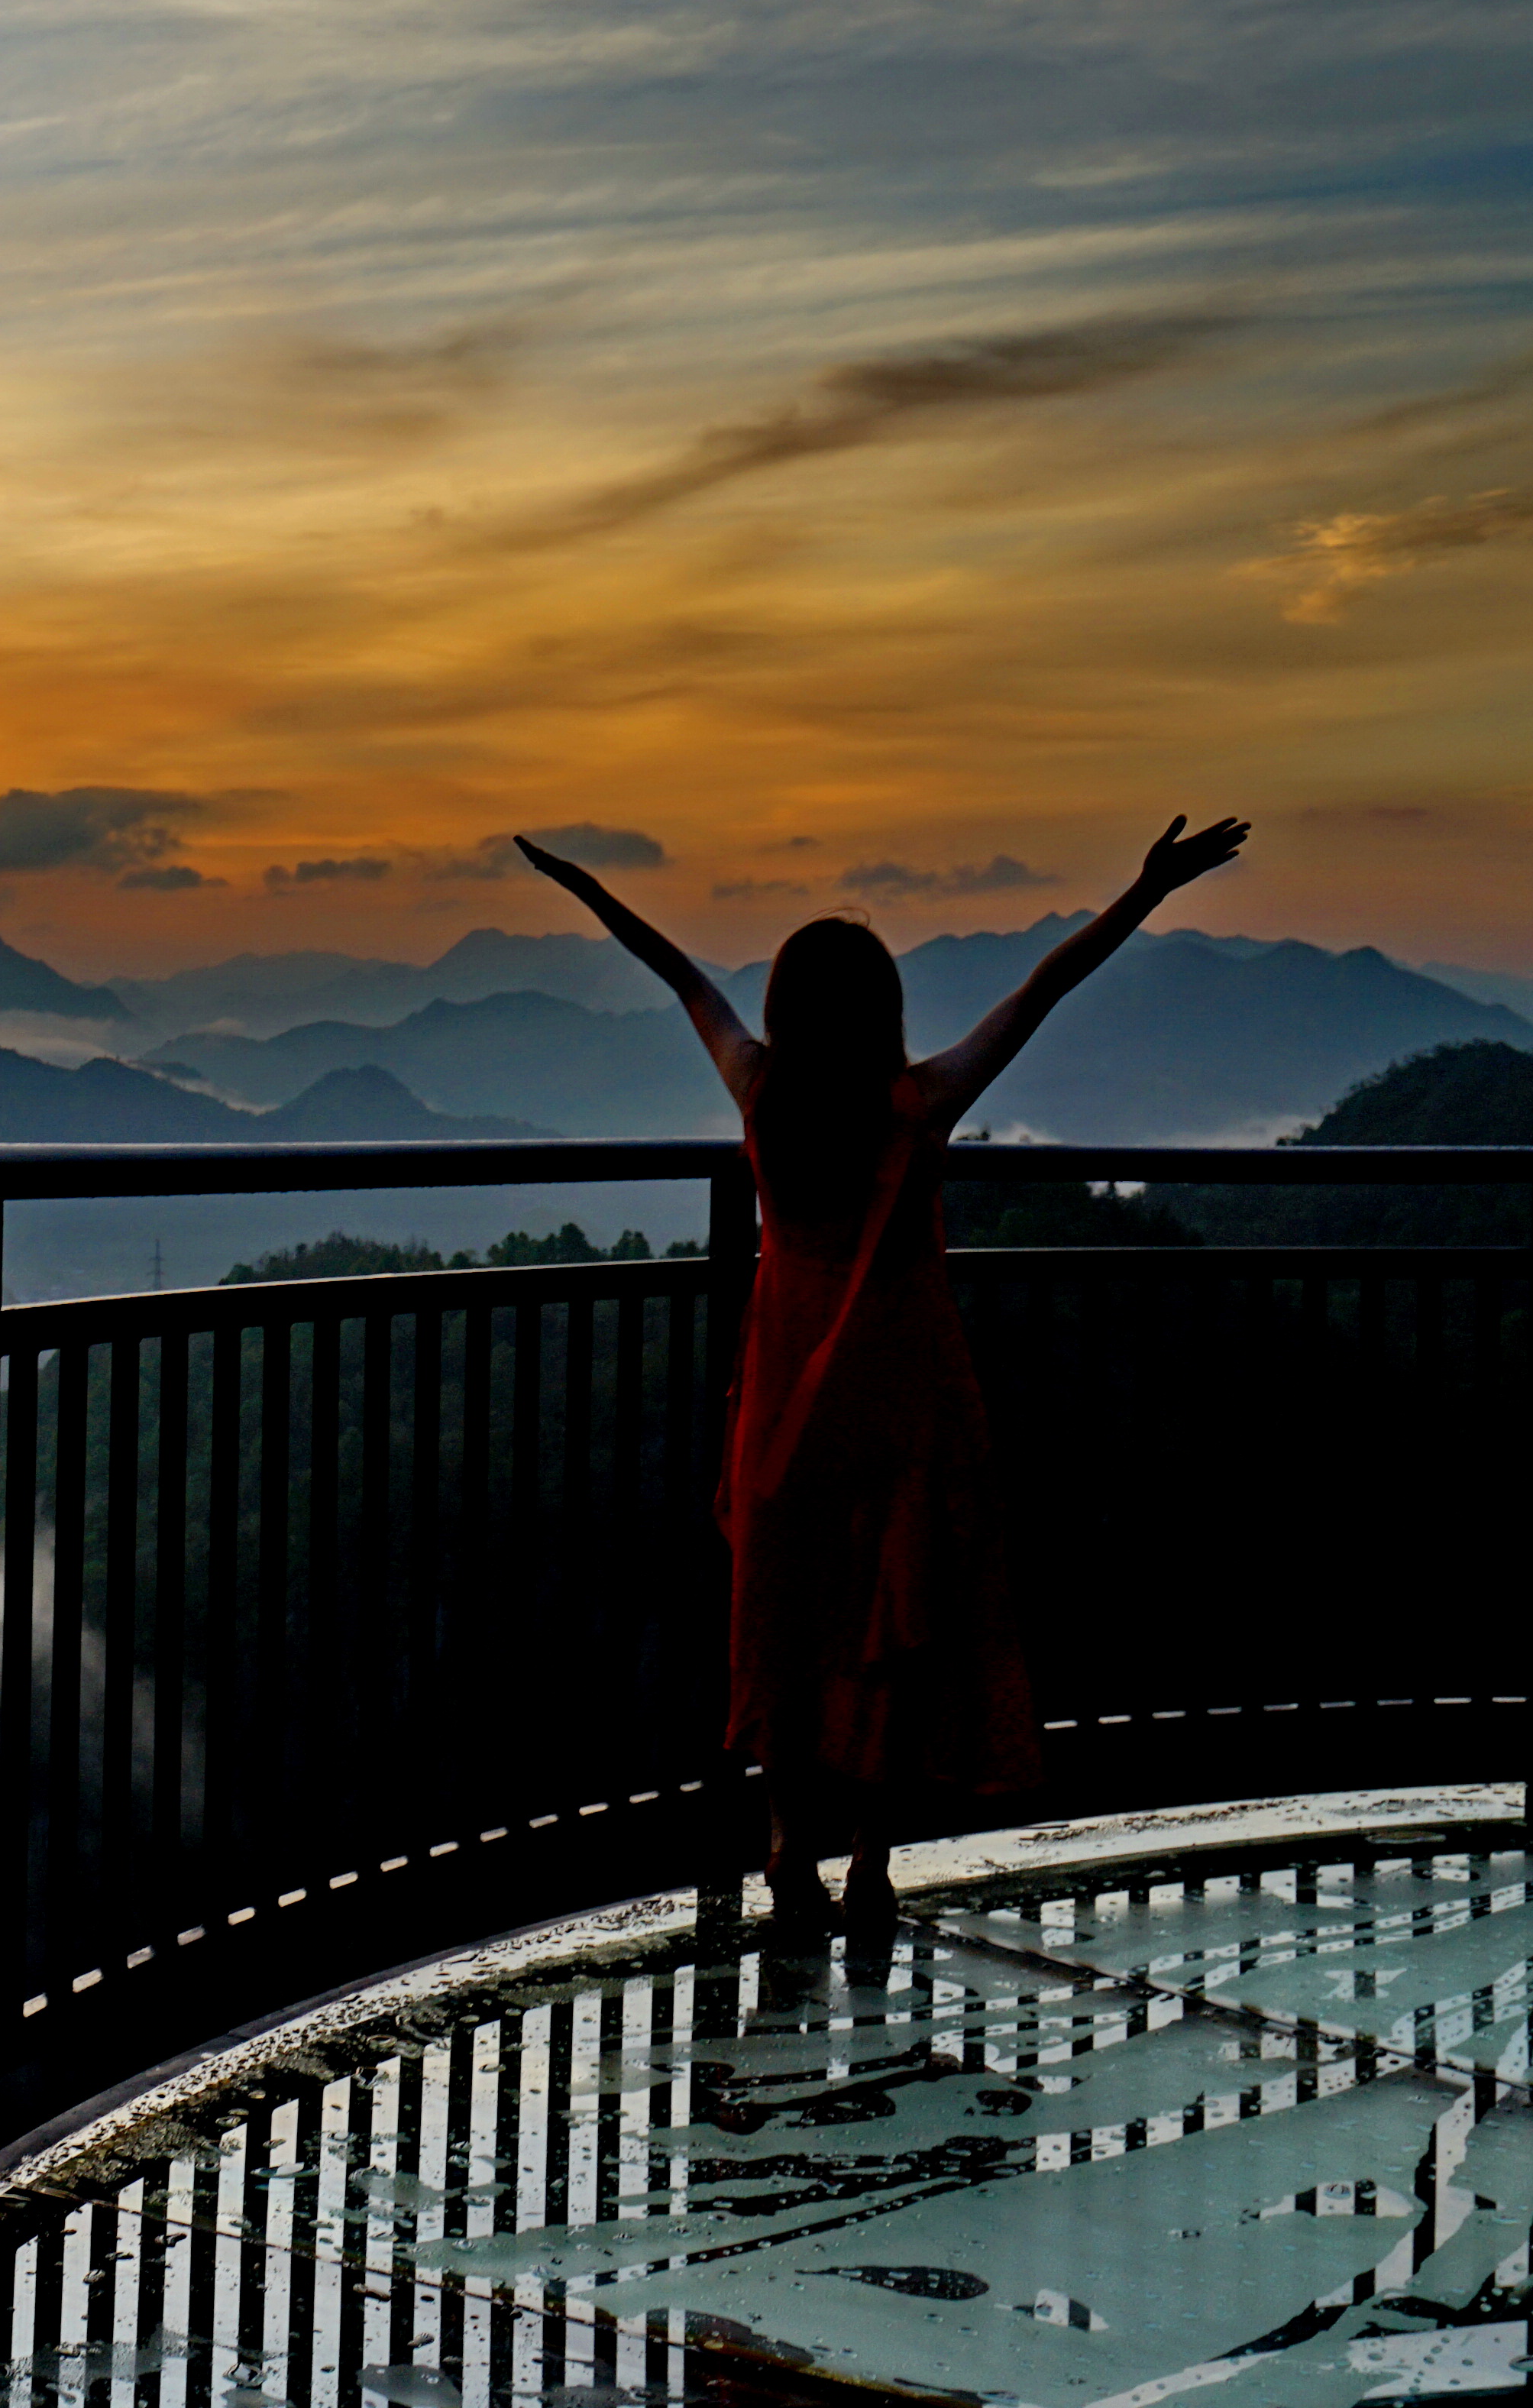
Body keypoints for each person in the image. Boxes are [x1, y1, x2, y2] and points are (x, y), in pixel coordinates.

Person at [516, 814, 1250, 1935]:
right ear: (882, 1012)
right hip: (902, 1401)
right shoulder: (915, 1105)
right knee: (888, 1622)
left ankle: (783, 1846)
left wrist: (585, 890)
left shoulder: (758, 1090)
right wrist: (1145, 891)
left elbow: (678, 976)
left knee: (785, 1623)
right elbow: (1043, 992)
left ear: (785, 1010)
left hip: (783, 1405)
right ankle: (867, 1860)